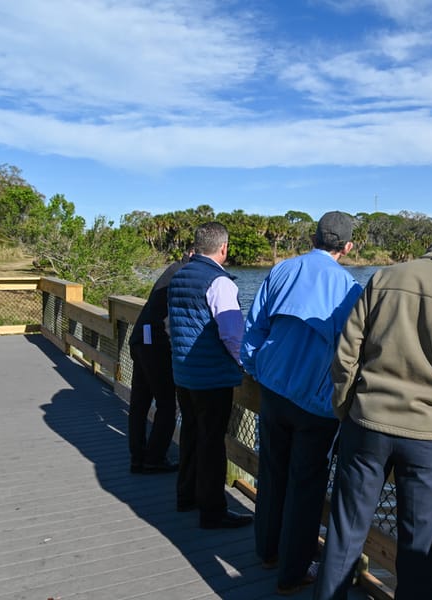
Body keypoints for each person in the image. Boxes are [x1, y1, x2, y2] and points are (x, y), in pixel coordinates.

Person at [314, 213, 432, 600]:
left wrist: (347, 407)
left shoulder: (384, 278)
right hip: (429, 439)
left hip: (365, 425)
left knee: (344, 535)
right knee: (419, 552)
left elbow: (345, 356)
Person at [242, 211, 363, 595]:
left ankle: (267, 551)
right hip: (317, 403)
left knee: (272, 472)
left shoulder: (282, 271)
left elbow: (254, 327)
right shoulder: (349, 289)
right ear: (348, 247)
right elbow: (353, 354)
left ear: (312, 238)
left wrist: (256, 368)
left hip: (273, 391)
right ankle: (293, 572)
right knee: (306, 487)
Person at [167, 222, 252, 529]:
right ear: (224, 248)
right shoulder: (220, 282)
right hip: (212, 377)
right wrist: (245, 364)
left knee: (190, 434)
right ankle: (213, 511)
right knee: (213, 443)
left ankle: (186, 496)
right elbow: (232, 335)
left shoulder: (180, 276)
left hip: (184, 372)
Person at [127, 252, 191, 474]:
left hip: (141, 339)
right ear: (193, 254)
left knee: (140, 403)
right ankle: (154, 458)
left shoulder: (173, 269)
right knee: (167, 405)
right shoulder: (184, 273)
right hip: (154, 344)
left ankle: (138, 457)